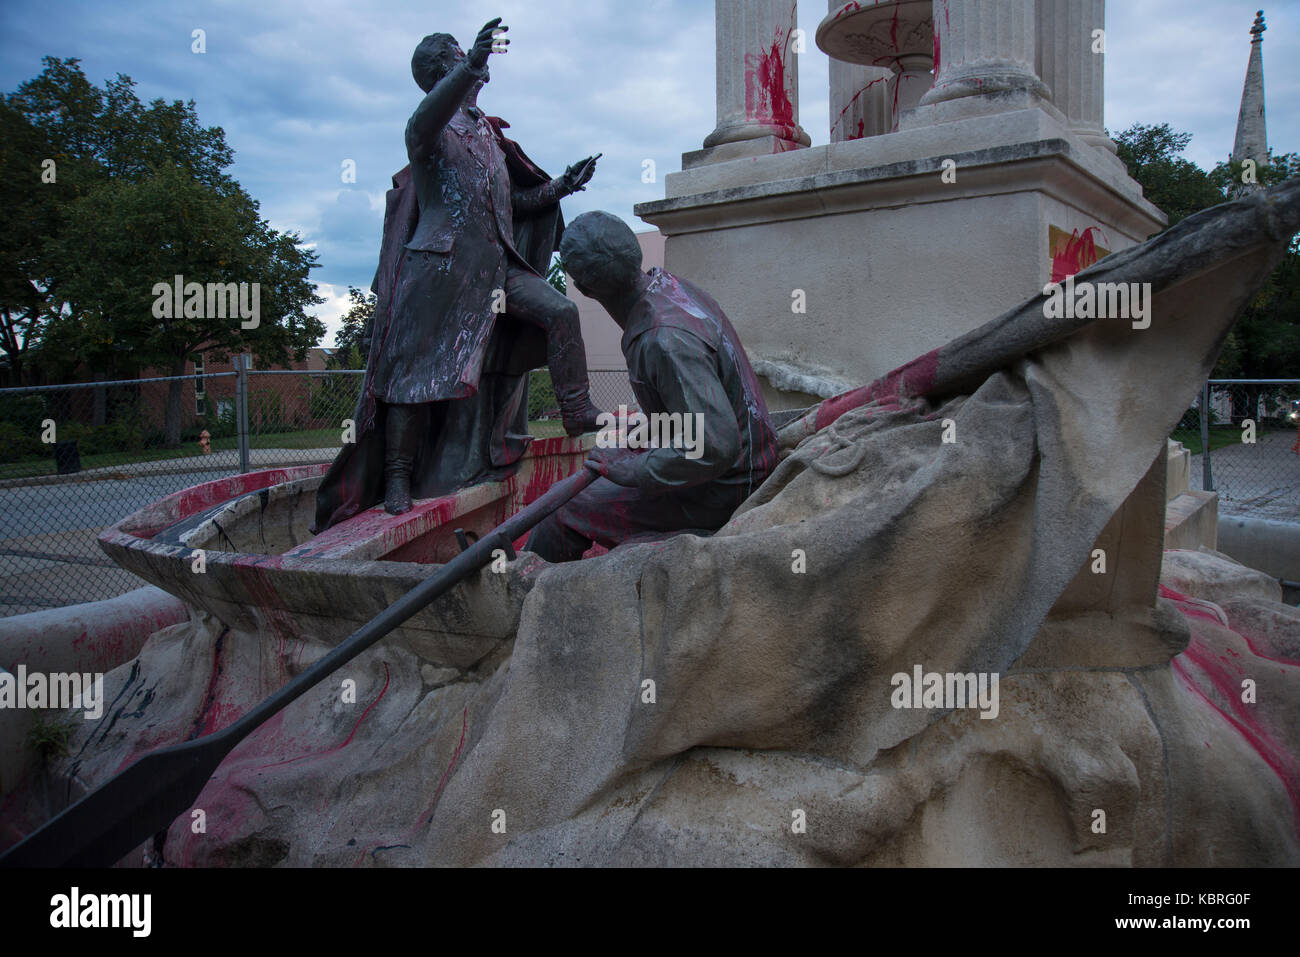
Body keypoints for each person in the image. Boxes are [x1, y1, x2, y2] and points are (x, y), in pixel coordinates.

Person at [313, 18, 605, 531]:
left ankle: (576, 411)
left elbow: (509, 204)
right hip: (440, 271)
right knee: (415, 379)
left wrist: (561, 186)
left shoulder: (487, 136)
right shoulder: (430, 129)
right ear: (443, 70)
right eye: (461, 57)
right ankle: (399, 478)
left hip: (495, 267)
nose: (481, 64)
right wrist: (472, 63)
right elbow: (421, 122)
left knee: (560, 311)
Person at [526, 212, 780, 562]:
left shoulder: (662, 339)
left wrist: (631, 470)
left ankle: (522, 598)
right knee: (586, 481)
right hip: (744, 464)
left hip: (728, 486)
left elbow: (716, 446)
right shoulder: (671, 288)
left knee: (560, 508)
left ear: (582, 287)